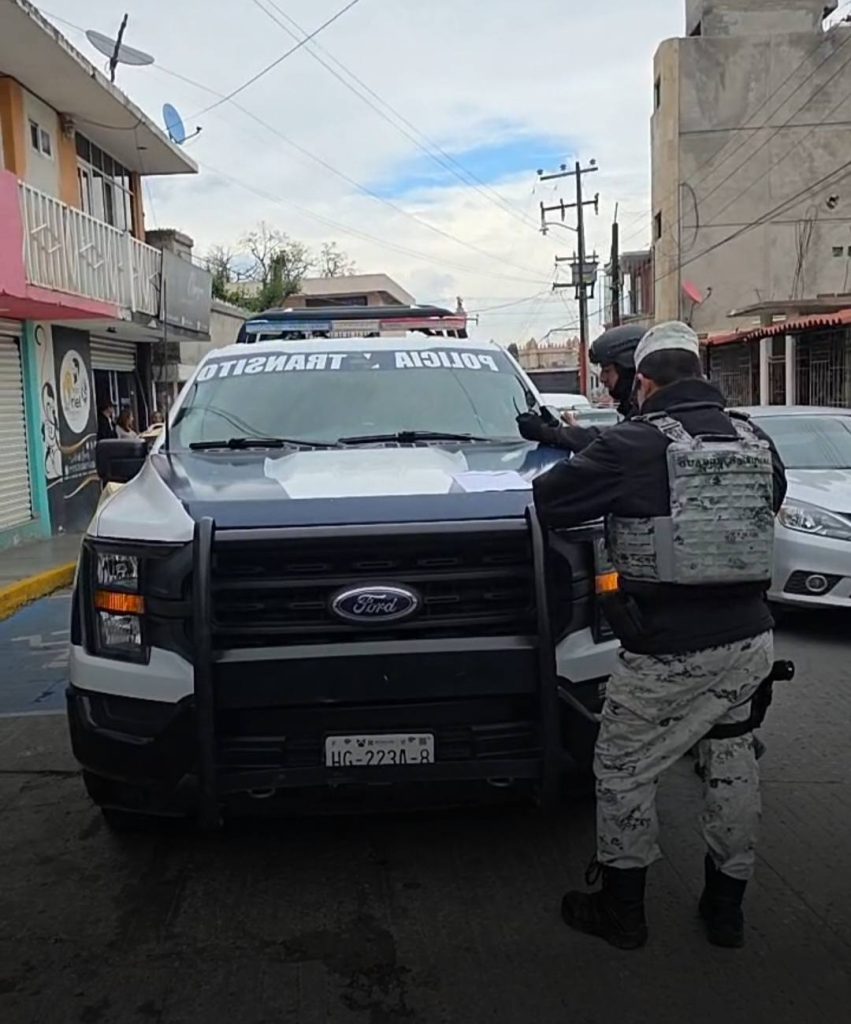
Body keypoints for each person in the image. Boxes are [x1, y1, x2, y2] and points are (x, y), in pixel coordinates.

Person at [532, 321, 787, 951]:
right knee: (730, 763)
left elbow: (552, 500)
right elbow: (769, 503)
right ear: (701, 374)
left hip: (665, 647)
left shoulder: (632, 444)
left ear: (643, 382)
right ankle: (726, 910)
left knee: (622, 768)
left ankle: (623, 911)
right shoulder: (757, 439)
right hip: (750, 641)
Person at [517, 323, 645, 452]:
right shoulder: (642, 414)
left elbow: (613, 444)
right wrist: (573, 431)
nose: (602, 378)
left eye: (607, 371)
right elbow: (608, 438)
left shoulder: (650, 419)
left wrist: (547, 432)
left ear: (629, 371)